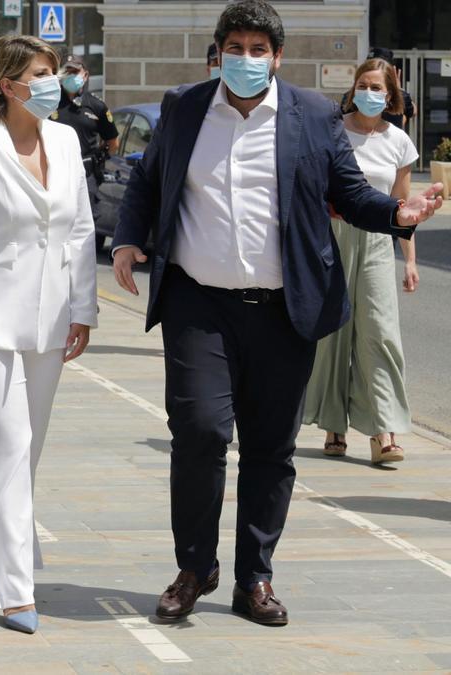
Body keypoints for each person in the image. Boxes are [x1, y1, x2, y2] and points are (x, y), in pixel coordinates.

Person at [111, 0, 442, 628]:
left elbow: (346, 192)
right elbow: (149, 184)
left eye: (258, 49)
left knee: (270, 447)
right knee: (202, 432)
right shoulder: (184, 107)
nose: (245, 59)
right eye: (233, 47)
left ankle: (254, 576)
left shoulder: (313, 116)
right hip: (197, 301)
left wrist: (395, 216)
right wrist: (129, 238)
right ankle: (194, 567)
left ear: (277, 57)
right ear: (217, 54)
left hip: (283, 308)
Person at [0, 35, 97, 635]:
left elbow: (80, 230)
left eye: (54, 73)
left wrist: (84, 307)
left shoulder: (66, 138)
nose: (53, 84)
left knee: (25, 452)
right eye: (40, 74)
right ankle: (14, 587)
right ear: (8, 85)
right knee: (4, 446)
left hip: (51, 320)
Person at [305, 57, 419, 465]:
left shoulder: (400, 142)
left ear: (390, 96)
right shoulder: (332, 131)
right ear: (353, 89)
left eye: (377, 88)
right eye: (363, 85)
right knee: (333, 332)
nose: (369, 93)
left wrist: (409, 260)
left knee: (380, 332)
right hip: (332, 240)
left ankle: (383, 431)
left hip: (375, 243)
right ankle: (334, 425)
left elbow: (403, 207)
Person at [54, 55, 118, 223]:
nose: (71, 75)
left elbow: (112, 142)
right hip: (54, 171)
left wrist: (99, 161)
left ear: (86, 75)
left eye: (75, 71)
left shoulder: (96, 106)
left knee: (85, 222)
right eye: (67, 71)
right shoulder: (50, 102)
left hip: (85, 173)